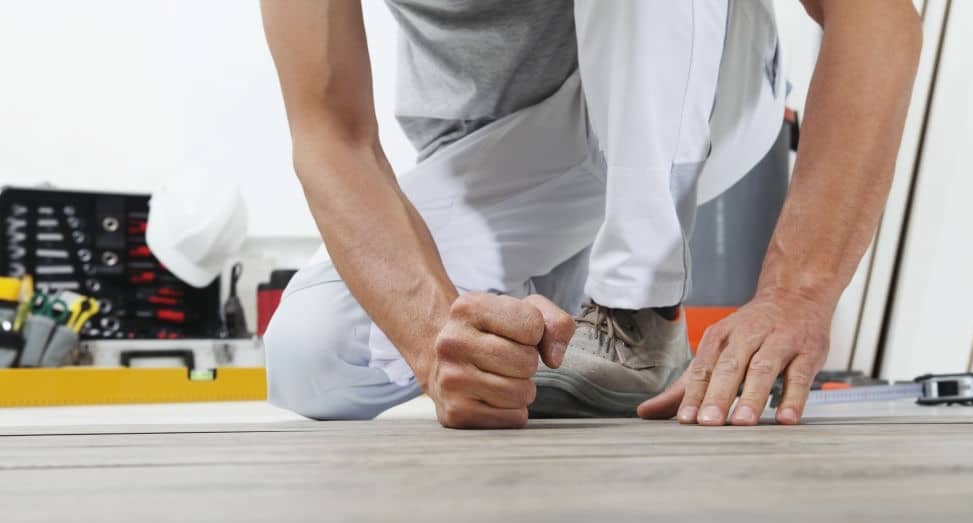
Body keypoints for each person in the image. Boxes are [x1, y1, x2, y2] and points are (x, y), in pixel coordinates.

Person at [260, 0, 922, 428]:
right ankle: (550, 318)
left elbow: (877, 16)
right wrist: (438, 343)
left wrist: (796, 292)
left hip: (699, 86)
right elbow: (330, 135)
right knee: (315, 356)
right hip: (506, 161)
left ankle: (637, 312)